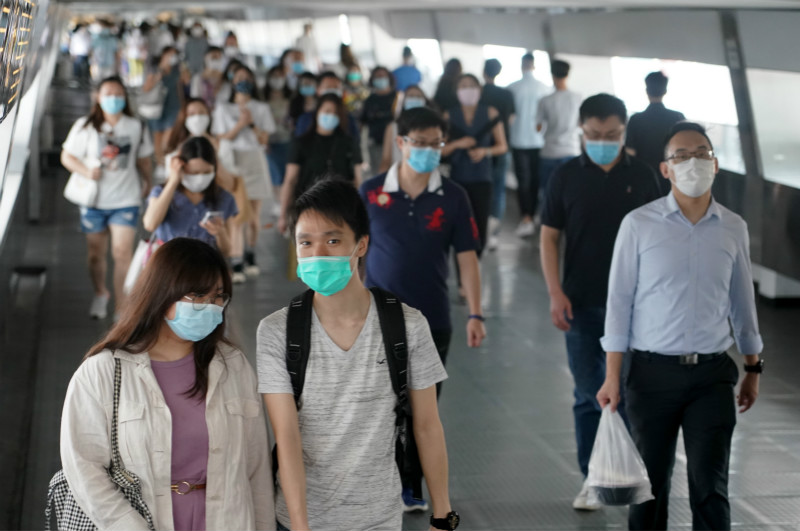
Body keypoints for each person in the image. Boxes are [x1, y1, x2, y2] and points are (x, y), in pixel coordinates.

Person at [258, 179, 457, 531]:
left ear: (361, 245)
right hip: (301, 519)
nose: (318, 253)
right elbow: (286, 436)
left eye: (333, 241)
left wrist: (442, 514)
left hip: (378, 517)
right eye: (306, 242)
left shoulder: (407, 326)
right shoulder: (277, 332)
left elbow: (427, 425)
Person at [597, 122, 763, 530]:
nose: (693, 163)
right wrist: (612, 376)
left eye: (701, 154)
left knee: (710, 486)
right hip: (651, 375)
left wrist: (753, 367)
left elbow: (743, 302)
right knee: (649, 488)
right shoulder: (639, 225)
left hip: (711, 374)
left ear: (716, 164)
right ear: (665, 169)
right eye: (681, 156)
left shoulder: (732, 227)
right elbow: (619, 303)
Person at [60, 237, 274, 531]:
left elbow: (256, 467)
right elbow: (82, 466)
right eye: (197, 296)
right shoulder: (103, 372)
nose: (209, 307)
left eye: (217, 298)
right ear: (162, 292)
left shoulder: (233, 366)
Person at [539, 93, 661, 511]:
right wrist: (555, 291)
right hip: (581, 302)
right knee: (587, 393)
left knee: (627, 391)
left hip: (636, 309)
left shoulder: (643, 177)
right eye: (594, 134)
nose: (602, 141)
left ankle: (627, 475)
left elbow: (658, 240)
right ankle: (592, 478)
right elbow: (549, 235)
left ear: (624, 131)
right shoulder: (565, 176)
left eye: (611, 134)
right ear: (581, 131)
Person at [361, 107, 486, 510]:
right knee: (381, 405)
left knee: (422, 408)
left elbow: (467, 257)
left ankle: (411, 487)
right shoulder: (370, 192)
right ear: (401, 143)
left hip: (433, 319)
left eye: (437, 144)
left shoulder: (453, 197)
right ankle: (380, 480)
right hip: (377, 317)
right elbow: (350, 253)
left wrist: (476, 312)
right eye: (421, 143)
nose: (430, 151)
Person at [60, 76, 154, 320]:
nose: (113, 99)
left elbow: (143, 159)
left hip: (126, 198)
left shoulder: (136, 126)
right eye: (108, 94)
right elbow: (67, 156)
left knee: (122, 252)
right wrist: (86, 171)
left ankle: (122, 306)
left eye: (118, 94)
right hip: (94, 201)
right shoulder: (86, 126)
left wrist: (150, 183)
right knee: (95, 253)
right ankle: (101, 292)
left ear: (125, 98)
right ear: (98, 98)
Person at [212, 65, 276, 279]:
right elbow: (223, 137)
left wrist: (251, 125)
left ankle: (250, 252)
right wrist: (241, 123)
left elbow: (264, 139)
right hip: (233, 160)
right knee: (238, 213)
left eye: (247, 77)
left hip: (255, 159)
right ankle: (236, 260)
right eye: (239, 77)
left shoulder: (261, 108)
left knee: (254, 216)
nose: (243, 81)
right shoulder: (223, 108)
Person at [441, 74, 508, 257]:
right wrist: (457, 144)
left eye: (472, 86)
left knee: (479, 221)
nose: (468, 89)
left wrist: (485, 152)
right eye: (463, 86)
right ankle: (461, 261)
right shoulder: (449, 115)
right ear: (457, 91)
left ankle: (476, 258)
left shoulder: (490, 112)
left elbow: (502, 146)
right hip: (457, 177)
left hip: (482, 176)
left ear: (479, 89)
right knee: (458, 222)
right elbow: (440, 149)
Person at [279, 94, 363, 233]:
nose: (331, 116)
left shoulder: (349, 143)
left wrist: (359, 213)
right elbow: (290, 180)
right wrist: (283, 215)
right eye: (327, 111)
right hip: (307, 207)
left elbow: (357, 180)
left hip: (340, 209)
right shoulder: (301, 143)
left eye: (335, 113)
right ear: (317, 112)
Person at [144, 137, 238, 256]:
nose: (200, 178)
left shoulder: (224, 197)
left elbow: (227, 251)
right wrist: (173, 181)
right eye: (193, 173)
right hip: (169, 264)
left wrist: (220, 233)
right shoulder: (161, 192)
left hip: (205, 267)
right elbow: (150, 224)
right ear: (181, 168)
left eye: (206, 172)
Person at [506, 52, 550, 238]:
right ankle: (537, 214)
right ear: (534, 65)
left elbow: (509, 118)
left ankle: (526, 217)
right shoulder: (544, 88)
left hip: (518, 141)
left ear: (522, 64)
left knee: (523, 181)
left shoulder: (512, 88)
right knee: (536, 180)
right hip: (539, 141)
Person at [535, 59, 582, 232]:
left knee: (548, 193)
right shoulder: (578, 98)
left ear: (552, 74)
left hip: (549, 151)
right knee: (571, 192)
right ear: (567, 74)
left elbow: (539, 128)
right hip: (571, 150)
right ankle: (570, 224)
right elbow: (581, 125)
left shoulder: (545, 100)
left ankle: (548, 227)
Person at [625, 71, 686, 196]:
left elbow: (630, 153)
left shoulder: (636, 119)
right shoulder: (677, 117)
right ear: (665, 91)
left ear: (647, 91)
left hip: (643, 179)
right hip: (672, 178)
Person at [480, 59, 516, 250]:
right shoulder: (506, 94)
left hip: (481, 148)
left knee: (481, 189)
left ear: (483, 72)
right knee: (499, 189)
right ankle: (493, 233)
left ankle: (480, 226)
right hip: (503, 146)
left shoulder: (480, 93)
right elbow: (511, 119)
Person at [143, 46, 184, 172]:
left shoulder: (177, 70)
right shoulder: (154, 70)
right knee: (157, 138)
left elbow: (181, 87)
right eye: (169, 55)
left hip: (173, 107)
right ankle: (160, 165)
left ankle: (166, 162)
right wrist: (157, 77)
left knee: (168, 139)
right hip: (157, 108)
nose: (172, 58)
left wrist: (183, 106)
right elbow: (146, 88)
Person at [293, 72, 360, 141]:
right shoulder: (305, 120)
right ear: (318, 89)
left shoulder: (349, 120)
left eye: (336, 88)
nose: (332, 92)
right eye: (328, 87)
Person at [378, 84, 430, 173]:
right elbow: (386, 159)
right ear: (403, 100)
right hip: (399, 176)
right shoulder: (393, 127)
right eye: (411, 96)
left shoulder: (432, 127)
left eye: (418, 96)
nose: (414, 99)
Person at [362, 66, 398, 174]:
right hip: (376, 144)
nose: (380, 78)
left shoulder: (398, 97)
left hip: (396, 143)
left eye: (383, 76)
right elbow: (364, 120)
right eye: (377, 76)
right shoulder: (369, 100)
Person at [265, 66, 293, 195]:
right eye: (274, 76)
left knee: (286, 173)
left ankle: (284, 201)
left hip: (286, 139)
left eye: (280, 76)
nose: (277, 79)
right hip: (269, 140)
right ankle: (278, 201)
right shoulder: (263, 96)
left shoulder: (290, 96)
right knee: (274, 173)